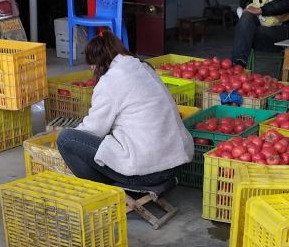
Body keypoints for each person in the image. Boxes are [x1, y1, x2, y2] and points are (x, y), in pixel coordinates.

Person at [57, 30, 194, 191]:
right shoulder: (143, 67)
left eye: (92, 65)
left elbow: (94, 129)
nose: (92, 70)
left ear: (99, 63)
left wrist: (75, 131)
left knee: (66, 139)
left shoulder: (111, 81)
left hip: (148, 173)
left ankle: (104, 191)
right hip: (175, 164)